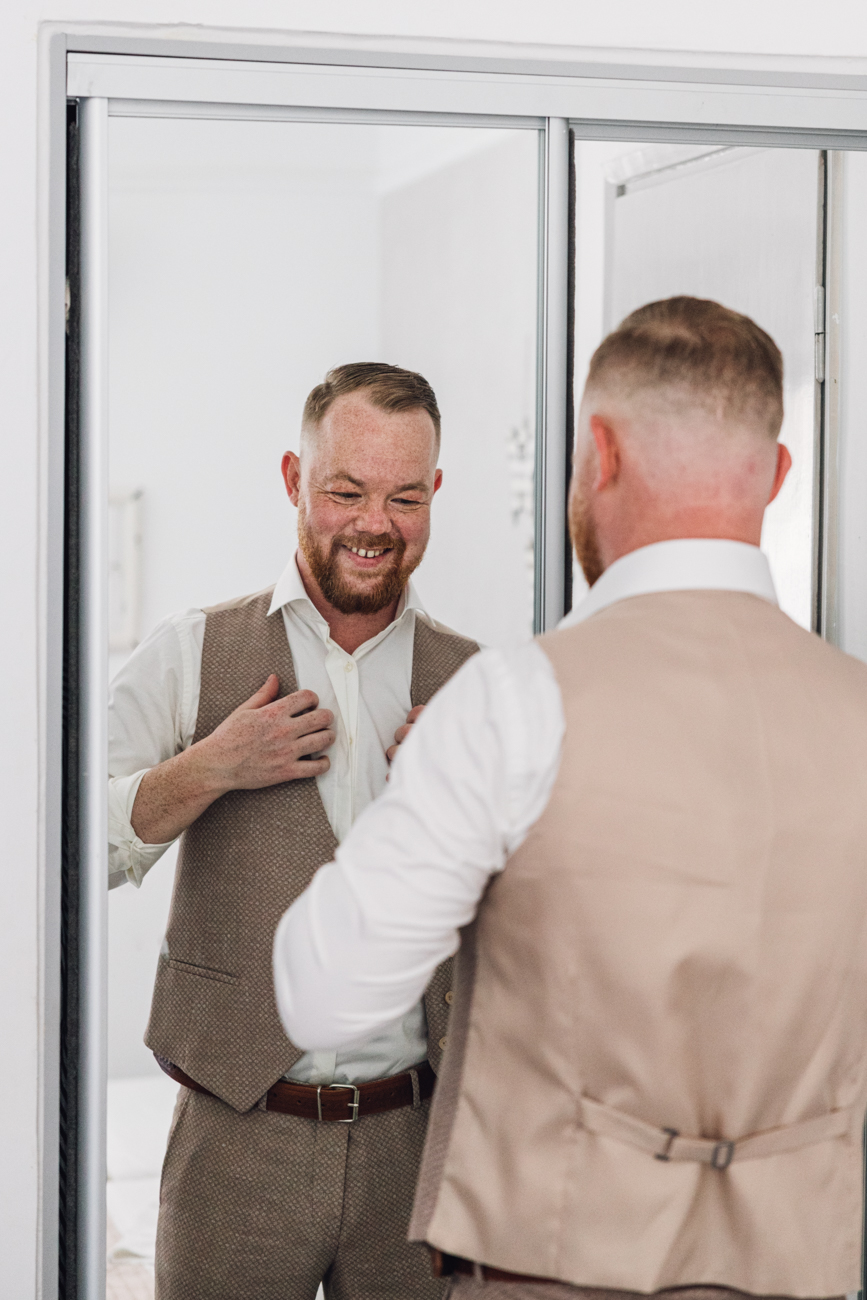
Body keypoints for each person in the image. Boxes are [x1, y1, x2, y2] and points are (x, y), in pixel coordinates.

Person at [274, 299, 867, 1300]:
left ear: (602, 453)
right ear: (775, 474)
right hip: (797, 1272)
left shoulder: (510, 699)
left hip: (548, 1266)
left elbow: (321, 991)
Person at [108, 362, 478, 1300]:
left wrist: (479, 805)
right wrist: (212, 767)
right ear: (292, 479)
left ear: (434, 493)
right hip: (236, 1141)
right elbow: (67, 851)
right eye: (344, 491)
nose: (373, 523)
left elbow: (541, 911)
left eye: (404, 497)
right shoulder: (192, 651)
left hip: (416, 1147)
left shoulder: (477, 684)